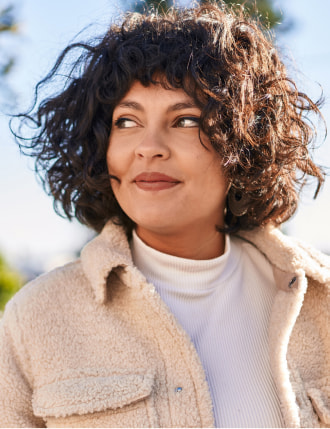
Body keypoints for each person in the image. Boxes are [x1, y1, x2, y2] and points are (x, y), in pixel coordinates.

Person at [1, 2, 329, 427]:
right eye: (126, 122)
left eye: (186, 121)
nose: (149, 146)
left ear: (244, 143)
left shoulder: (320, 301)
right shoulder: (38, 316)